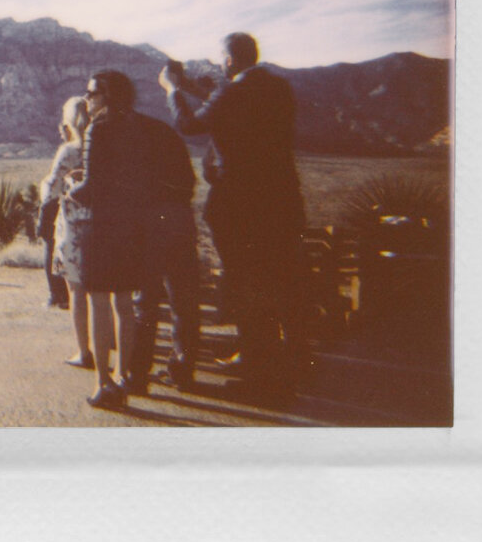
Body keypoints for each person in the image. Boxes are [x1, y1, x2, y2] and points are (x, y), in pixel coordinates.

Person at [159, 32, 307, 399]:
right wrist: (204, 91)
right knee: (273, 281)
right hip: (281, 203)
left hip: (240, 206)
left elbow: (192, 126)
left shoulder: (233, 93)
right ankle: (268, 360)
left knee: (245, 284)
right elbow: (234, 112)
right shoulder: (278, 89)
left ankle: (260, 379)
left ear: (228, 60)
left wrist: (173, 91)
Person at [68, 71, 168, 410]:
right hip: (134, 226)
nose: (87, 98)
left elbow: (91, 187)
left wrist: (72, 188)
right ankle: (124, 375)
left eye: (92, 92)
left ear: (107, 95)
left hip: (103, 227)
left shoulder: (100, 127)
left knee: (99, 303)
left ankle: (104, 383)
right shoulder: (140, 127)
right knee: (125, 305)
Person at [127, 110, 201, 395]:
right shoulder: (164, 132)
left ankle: (137, 374)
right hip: (180, 218)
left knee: (144, 302)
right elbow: (189, 182)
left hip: (150, 223)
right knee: (184, 300)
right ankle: (183, 369)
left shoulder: (129, 137)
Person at [37, 99, 89, 312]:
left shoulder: (69, 150)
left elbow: (53, 184)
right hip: (92, 212)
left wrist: (43, 192)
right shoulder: (99, 146)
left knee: (52, 245)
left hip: (66, 209)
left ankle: (58, 294)